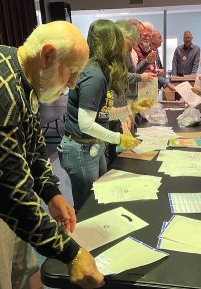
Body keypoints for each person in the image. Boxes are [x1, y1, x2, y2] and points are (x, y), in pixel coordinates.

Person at [0, 21, 104, 289]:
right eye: (71, 72)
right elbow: (10, 194)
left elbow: (34, 145)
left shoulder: (24, 71)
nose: (73, 83)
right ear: (48, 55)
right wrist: (71, 253)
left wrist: (51, 192)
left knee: (27, 272)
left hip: (11, 202)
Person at [59, 19, 152, 212]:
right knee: (87, 209)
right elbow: (86, 124)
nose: (126, 50)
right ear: (110, 43)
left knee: (99, 202)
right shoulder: (94, 75)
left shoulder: (101, 71)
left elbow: (103, 114)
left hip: (92, 146)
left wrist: (132, 107)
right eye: (121, 43)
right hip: (82, 148)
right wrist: (119, 138)